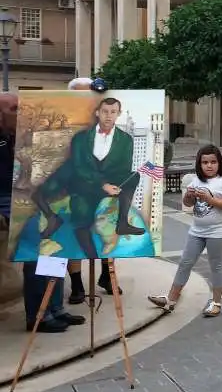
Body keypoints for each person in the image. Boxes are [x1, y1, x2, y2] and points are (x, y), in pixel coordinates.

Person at [0, 92, 84, 332]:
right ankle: (38, 316)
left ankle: (54, 307)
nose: (21, 113)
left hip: (34, 195)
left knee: (56, 247)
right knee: (35, 250)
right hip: (10, 198)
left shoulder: (29, 135)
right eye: (14, 109)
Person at [30, 97, 143, 260]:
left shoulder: (125, 139)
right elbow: (79, 167)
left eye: (113, 112)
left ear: (119, 114)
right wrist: (103, 184)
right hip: (83, 184)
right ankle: (92, 257)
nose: (108, 116)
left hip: (108, 183)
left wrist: (115, 185)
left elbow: (124, 167)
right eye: (105, 111)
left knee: (133, 176)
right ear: (97, 113)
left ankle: (122, 223)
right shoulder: (81, 138)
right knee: (80, 219)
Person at [147, 144, 222, 317]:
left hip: (218, 232)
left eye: (213, 162)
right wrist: (189, 197)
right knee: (185, 263)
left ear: (219, 163)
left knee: (216, 266)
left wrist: (210, 199)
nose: (209, 165)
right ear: (199, 164)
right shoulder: (196, 180)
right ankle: (171, 299)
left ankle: (217, 302)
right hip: (197, 230)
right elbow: (188, 205)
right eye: (205, 162)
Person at [63, 77, 119, 304]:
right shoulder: (68, 123)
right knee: (73, 233)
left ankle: (107, 275)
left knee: (109, 226)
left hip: (104, 185)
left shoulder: (104, 122)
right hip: (75, 187)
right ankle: (77, 285)